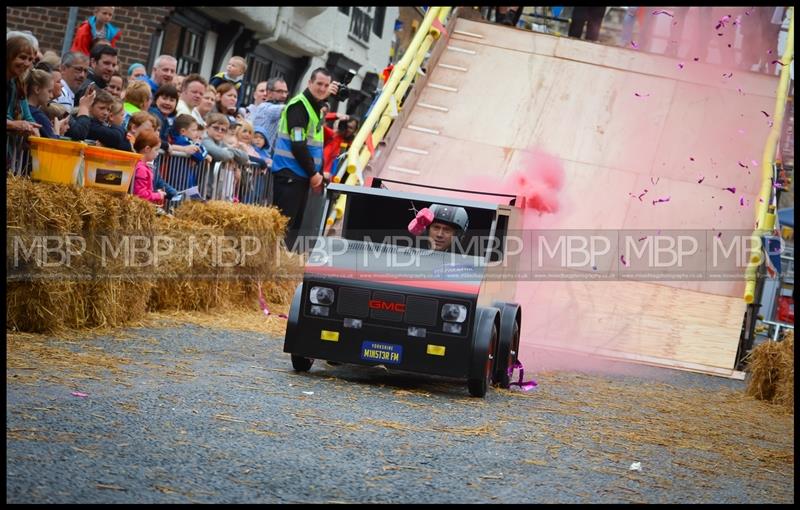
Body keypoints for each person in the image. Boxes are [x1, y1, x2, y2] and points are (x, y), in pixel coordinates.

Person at [270, 68, 341, 244]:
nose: (322, 88)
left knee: (293, 229)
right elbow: (298, 144)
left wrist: (319, 171)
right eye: (319, 84)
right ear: (309, 83)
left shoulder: (314, 107)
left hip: (300, 175)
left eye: (326, 85)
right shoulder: (299, 106)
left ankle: (284, 265)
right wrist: (313, 174)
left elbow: (315, 144)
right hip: (290, 174)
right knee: (283, 228)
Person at [64, 88, 129, 150]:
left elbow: (126, 146)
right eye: (102, 108)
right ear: (90, 106)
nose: (106, 113)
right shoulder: (90, 124)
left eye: (108, 109)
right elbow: (115, 137)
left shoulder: (100, 123)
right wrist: (118, 127)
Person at [7, 35, 41, 136]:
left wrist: (31, 127)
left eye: (30, 60)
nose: (26, 63)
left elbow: (26, 116)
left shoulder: (15, 83)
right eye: (22, 57)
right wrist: (14, 125)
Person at [247, 77, 289, 156]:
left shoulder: (278, 110)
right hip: (256, 154)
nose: (284, 95)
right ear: (269, 93)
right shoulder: (265, 107)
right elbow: (289, 108)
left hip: (266, 156)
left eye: (286, 92)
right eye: (280, 91)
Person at [170, 114, 212, 187]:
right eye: (194, 130)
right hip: (180, 178)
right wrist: (204, 153)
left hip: (184, 176)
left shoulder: (183, 140)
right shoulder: (182, 141)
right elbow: (199, 154)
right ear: (183, 131)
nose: (196, 133)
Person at [26, 69, 67, 139]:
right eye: (49, 91)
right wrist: (57, 129)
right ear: (37, 89)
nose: (51, 96)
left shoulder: (23, 109)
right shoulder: (39, 116)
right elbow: (54, 144)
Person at [132, 129, 168, 205]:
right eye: (156, 150)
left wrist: (155, 193)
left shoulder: (141, 165)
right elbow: (140, 194)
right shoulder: (141, 168)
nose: (158, 154)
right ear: (147, 149)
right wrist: (158, 195)